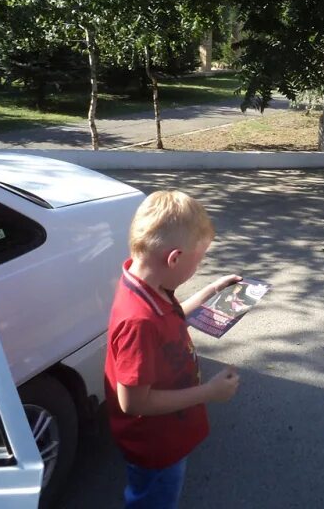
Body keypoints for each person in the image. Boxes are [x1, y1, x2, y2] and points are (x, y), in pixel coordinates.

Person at [104, 190, 242, 509]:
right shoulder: (138, 320)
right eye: (199, 260)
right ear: (175, 258)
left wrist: (210, 291)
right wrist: (209, 392)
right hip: (156, 446)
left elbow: (172, 317)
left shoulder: (148, 286)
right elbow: (133, 402)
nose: (198, 267)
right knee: (154, 501)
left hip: (168, 433)